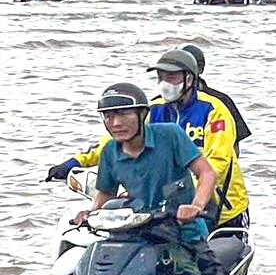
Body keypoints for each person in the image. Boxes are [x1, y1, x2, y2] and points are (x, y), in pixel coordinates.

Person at [71, 82, 236, 275]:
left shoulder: (169, 136)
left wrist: (195, 205)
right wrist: (90, 213)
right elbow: (105, 193)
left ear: (142, 114)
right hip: (134, 238)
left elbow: (206, 173)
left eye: (123, 114)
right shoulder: (111, 152)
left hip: (183, 235)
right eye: (108, 116)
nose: (115, 122)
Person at [50, 49, 251, 230]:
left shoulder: (214, 110)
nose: (164, 83)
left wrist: (175, 189)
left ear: (189, 79)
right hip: (163, 208)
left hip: (220, 206)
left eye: (171, 77)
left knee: (207, 264)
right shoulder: (153, 109)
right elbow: (119, 139)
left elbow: (218, 163)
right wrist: (76, 161)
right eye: (160, 77)